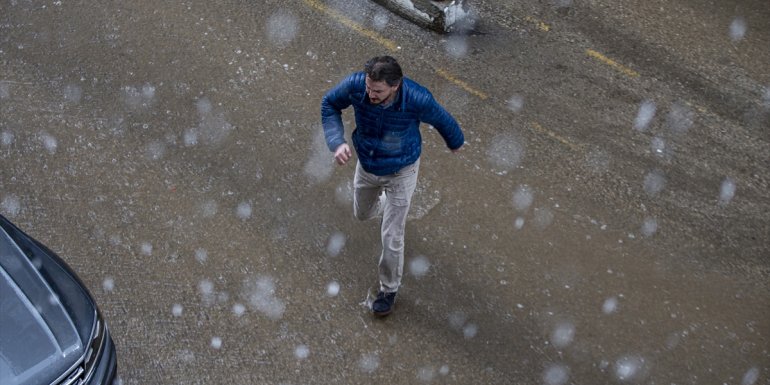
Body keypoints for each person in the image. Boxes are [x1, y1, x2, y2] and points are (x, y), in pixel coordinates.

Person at [321, 56, 464, 317]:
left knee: (391, 236)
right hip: (367, 165)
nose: (370, 94)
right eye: (368, 87)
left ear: (395, 86)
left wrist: (455, 141)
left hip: (402, 171)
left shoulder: (417, 98)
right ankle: (387, 205)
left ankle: (388, 290)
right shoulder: (356, 86)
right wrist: (336, 141)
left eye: (377, 91)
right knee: (362, 214)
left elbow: (442, 119)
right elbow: (329, 103)